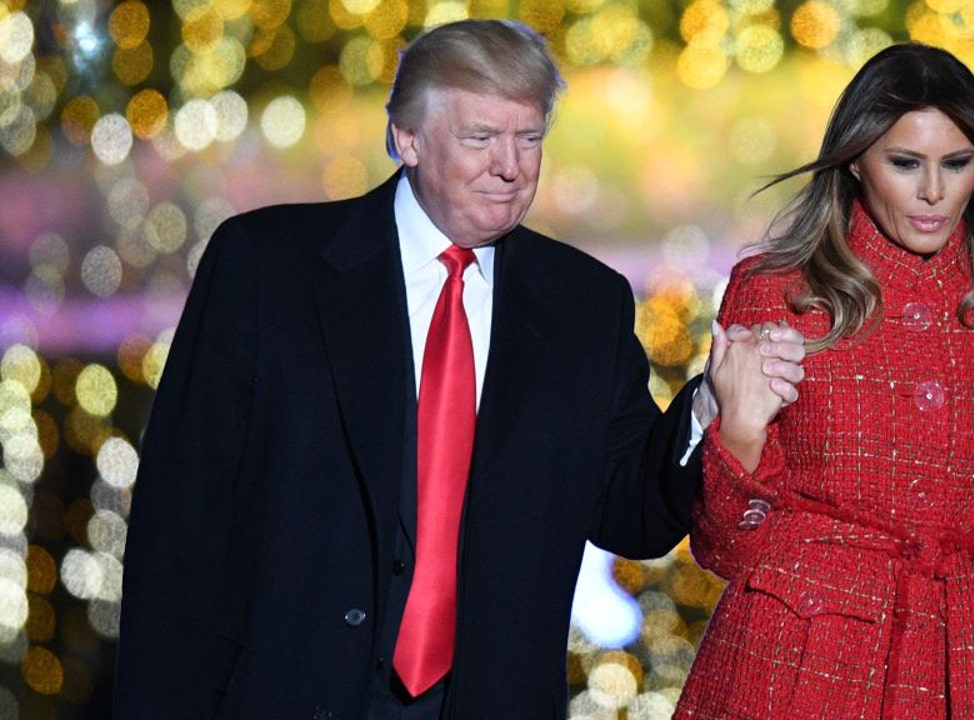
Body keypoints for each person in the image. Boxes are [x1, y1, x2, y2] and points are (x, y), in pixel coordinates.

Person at [112, 19, 805, 720]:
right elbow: (180, 526)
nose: (511, 166)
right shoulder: (267, 268)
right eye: (481, 138)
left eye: (529, 138)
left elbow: (632, 514)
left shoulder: (582, 305)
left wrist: (706, 406)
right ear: (406, 138)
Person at [674, 43, 974, 719]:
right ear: (856, 161)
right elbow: (724, 548)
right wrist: (742, 433)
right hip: (795, 663)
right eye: (905, 164)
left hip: (957, 669)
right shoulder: (776, 292)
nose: (934, 192)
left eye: (956, 164)